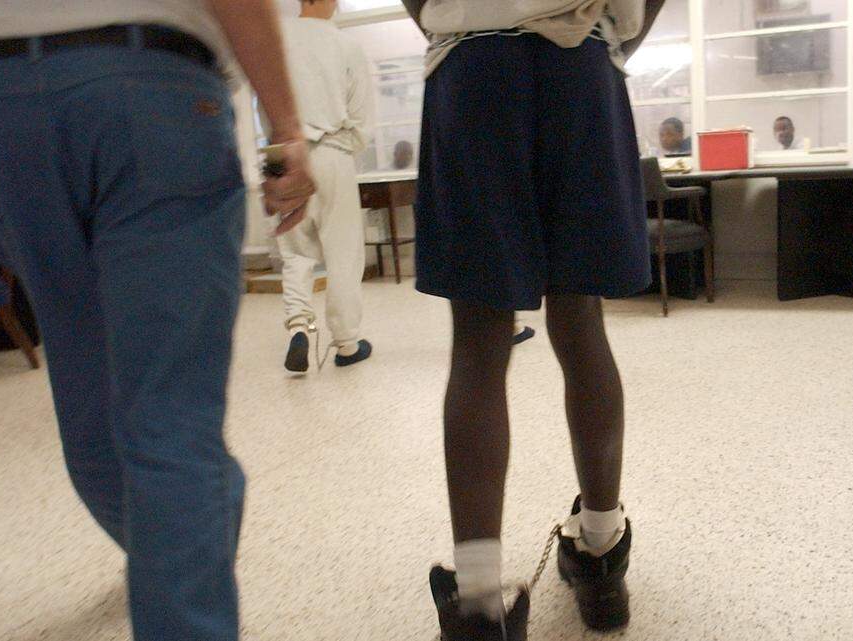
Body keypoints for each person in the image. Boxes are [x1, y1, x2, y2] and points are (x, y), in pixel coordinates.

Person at [0, 2, 315, 640]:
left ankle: (171, 544)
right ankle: (178, 546)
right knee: (169, 425)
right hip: (152, 93)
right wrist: (287, 125)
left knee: (92, 401)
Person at [402, 1, 664, 639]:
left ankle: (477, 603)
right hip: (582, 68)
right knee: (581, 324)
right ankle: (601, 553)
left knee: (479, 344)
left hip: (473, 66)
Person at [275, 0, 375, 373]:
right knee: (342, 253)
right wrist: (337, 147)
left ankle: (299, 326)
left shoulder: (278, 39)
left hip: (283, 153)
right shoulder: (346, 46)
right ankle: (347, 344)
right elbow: (362, 120)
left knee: (295, 251)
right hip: (332, 151)